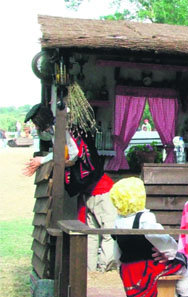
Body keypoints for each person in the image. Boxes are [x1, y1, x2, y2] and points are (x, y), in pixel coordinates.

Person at [22, 104, 117, 272]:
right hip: (90, 190)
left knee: (105, 233)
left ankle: (100, 269)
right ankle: (93, 270)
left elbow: (71, 153)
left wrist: (42, 161)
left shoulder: (63, 129)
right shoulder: (57, 130)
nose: (36, 127)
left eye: (36, 123)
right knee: (95, 234)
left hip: (101, 191)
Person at [109, 177, 188, 297]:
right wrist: (172, 252)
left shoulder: (119, 221)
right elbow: (162, 240)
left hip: (130, 272)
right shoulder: (144, 218)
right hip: (148, 268)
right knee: (185, 265)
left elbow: (117, 250)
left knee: (173, 266)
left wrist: (121, 265)